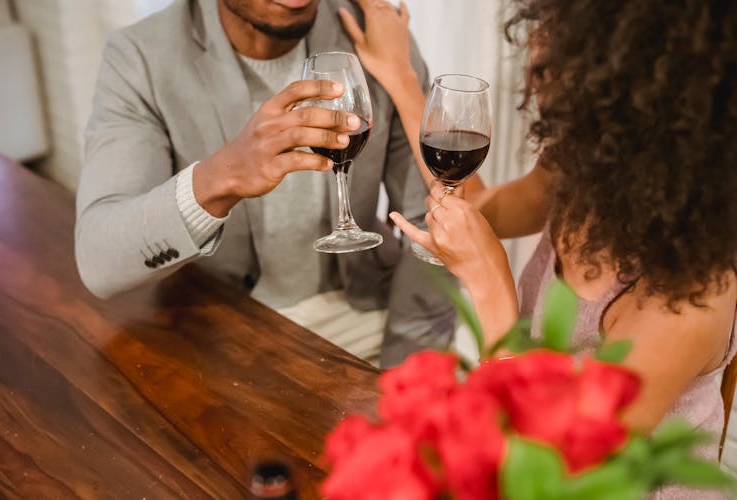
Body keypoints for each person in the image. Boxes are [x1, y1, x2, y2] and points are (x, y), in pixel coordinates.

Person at [344, 0, 737, 496]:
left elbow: (556, 471)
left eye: (562, 34)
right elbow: (482, 204)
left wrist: (491, 287)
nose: (535, 51)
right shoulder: (581, 170)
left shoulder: (692, 293)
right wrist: (400, 75)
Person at [75, 0, 456, 368]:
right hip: (227, 338)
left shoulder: (374, 29)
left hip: (371, 318)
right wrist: (221, 177)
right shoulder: (140, 57)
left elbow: (432, 222)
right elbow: (100, 261)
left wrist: (409, 380)